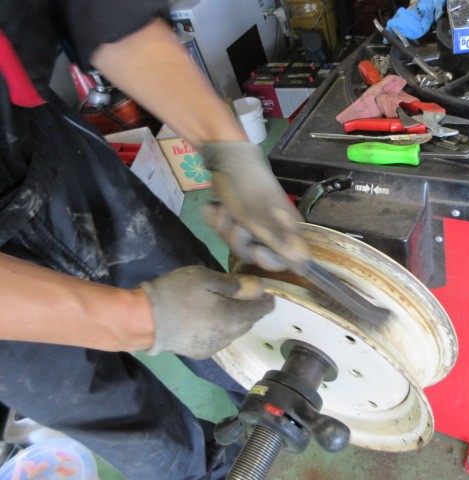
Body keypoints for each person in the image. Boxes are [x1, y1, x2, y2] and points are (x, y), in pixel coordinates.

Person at [0, 1, 309, 479]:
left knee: (213, 300)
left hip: (30, 137)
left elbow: (105, 15)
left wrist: (228, 150)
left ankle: (266, 393)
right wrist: (136, 320)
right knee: (118, 416)